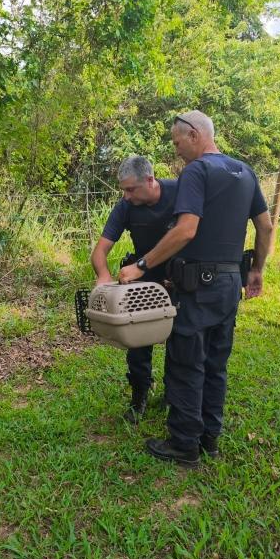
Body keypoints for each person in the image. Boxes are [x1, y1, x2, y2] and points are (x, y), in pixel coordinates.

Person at [118, 110, 272, 467]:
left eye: (177, 142)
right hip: (232, 281)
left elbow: (186, 230)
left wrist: (143, 265)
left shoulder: (197, 172)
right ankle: (209, 440)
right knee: (216, 364)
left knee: (186, 363)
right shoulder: (245, 172)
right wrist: (258, 269)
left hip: (198, 284)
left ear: (194, 134)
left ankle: (184, 444)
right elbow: (265, 227)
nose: (176, 151)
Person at [91, 155, 178, 424]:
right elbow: (100, 250)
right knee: (138, 339)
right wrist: (103, 275)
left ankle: (173, 395)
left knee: (181, 339)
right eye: (123, 190)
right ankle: (140, 392)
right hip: (142, 276)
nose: (126, 196)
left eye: (130, 189)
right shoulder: (125, 207)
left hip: (179, 275)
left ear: (150, 180)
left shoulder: (180, 193)